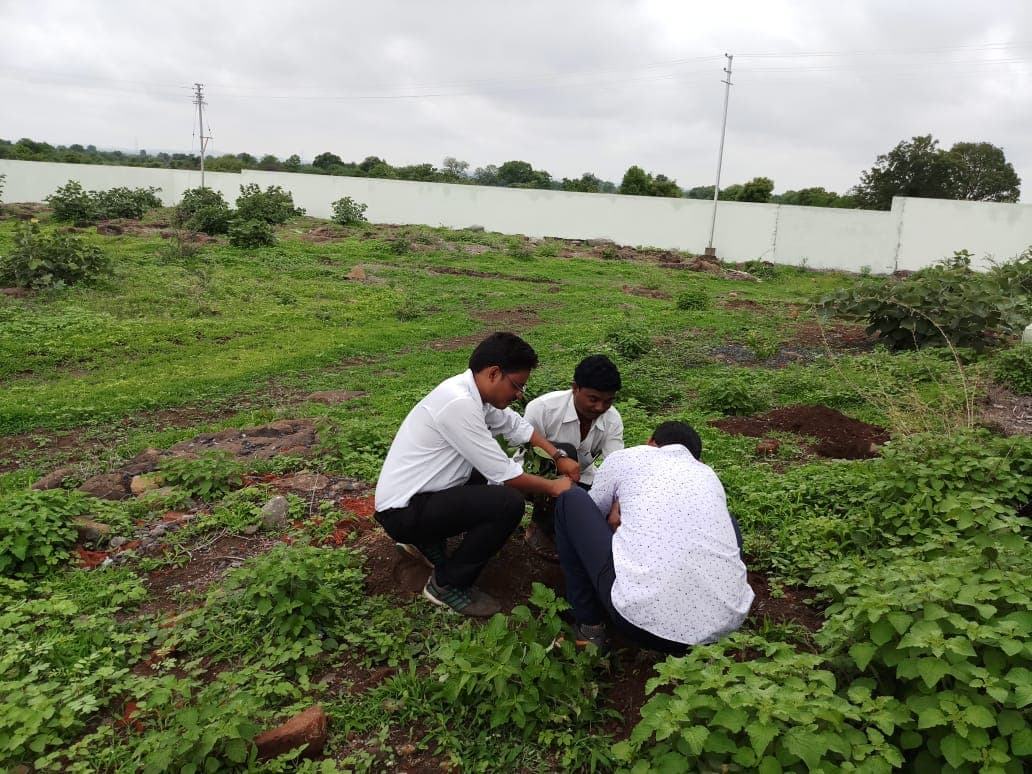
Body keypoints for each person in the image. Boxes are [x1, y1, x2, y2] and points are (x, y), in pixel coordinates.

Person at [374, 331, 577, 617]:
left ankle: (427, 540)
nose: (519, 395)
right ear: (494, 373)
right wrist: (553, 487)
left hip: (417, 497)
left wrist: (557, 455)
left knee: (484, 476)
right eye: (517, 386)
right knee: (508, 503)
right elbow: (506, 475)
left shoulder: (474, 394)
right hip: (403, 511)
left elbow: (515, 425)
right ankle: (446, 585)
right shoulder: (459, 403)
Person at [553, 421, 753, 654]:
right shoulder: (708, 475)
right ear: (697, 459)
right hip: (723, 628)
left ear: (650, 443)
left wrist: (620, 516)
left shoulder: (627, 458)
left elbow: (594, 513)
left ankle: (589, 628)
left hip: (638, 623)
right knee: (727, 518)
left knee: (571, 500)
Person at [519, 354, 624, 559]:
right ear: (575, 388)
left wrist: (615, 506)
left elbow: (616, 467)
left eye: (608, 401)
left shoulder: (612, 420)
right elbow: (520, 454)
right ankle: (539, 528)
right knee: (564, 455)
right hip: (538, 476)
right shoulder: (542, 410)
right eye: (593, 399)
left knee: (596, 506)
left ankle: (563, 529)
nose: (600, 408)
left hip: (583, 477)